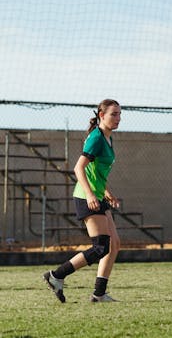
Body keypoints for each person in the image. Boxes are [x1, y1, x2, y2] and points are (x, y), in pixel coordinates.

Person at [43, 99, 122, 303]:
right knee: (100, 248)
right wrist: (90, 195)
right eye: (113, 114)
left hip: (98, 195)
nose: (118, 118)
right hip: (86, 196)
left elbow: (95, 171)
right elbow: (78, 168)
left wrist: (106, 192)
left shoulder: (107, 138)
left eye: (119, 114)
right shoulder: (96, 138)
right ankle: (56, 275)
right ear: (101, 115)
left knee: (114, 246)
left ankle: (99, 293)